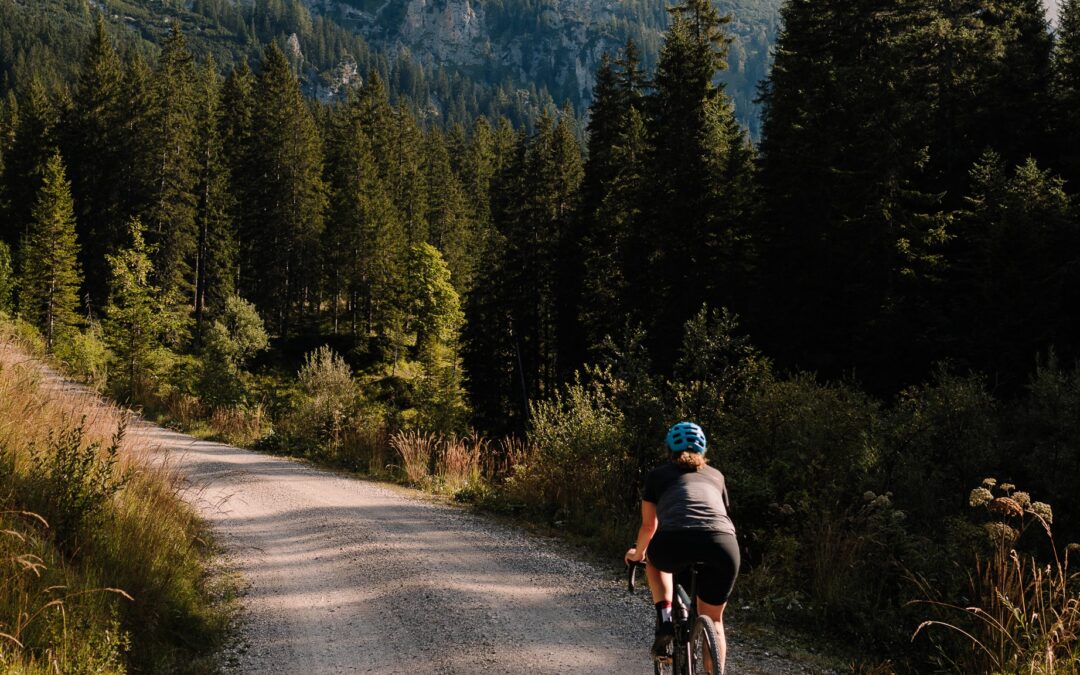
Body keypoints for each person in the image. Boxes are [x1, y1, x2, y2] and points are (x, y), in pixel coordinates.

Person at [624, 421, 740, 673]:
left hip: (675, 540)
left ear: (669, 449)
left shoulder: (658, 475)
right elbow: (721, 516)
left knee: (653, 560)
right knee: (716, 621)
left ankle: (666, 615)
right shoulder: (716, 475)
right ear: (704, 449)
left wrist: (637, 554)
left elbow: (648, 527)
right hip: (723, 545)